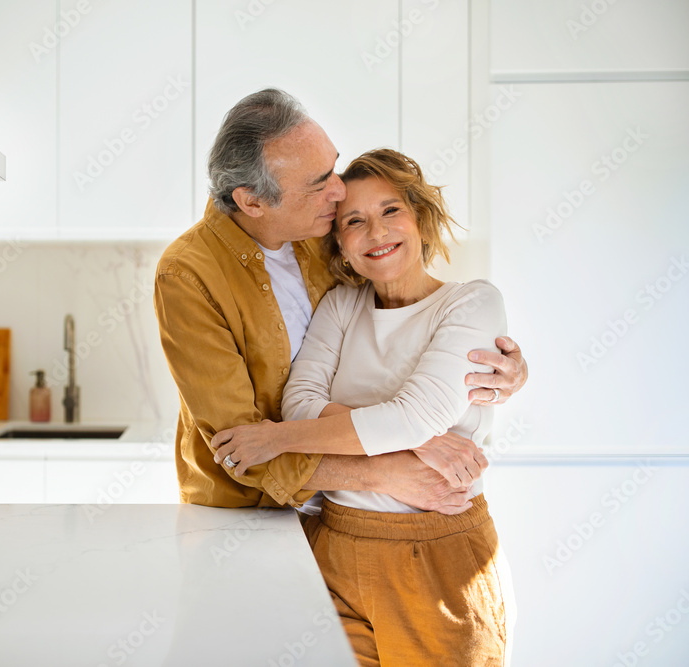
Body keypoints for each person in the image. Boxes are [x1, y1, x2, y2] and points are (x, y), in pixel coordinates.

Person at [154, 88, 527, 515]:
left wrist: (498, 370)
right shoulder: (187, 276)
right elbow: (239, 446)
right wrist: (389, 466)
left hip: (332, 514)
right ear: (252, 201)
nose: (338, 190)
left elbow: (416, 376)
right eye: (318, 184)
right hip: (250, 514)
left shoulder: (319, 233)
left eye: (332, 167)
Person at [212, 148, 514, 665]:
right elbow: (301, 405)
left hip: (439, 557)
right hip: (333, 546)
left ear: (419, 217)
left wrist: (277, 439)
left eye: (391, 210)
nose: (376, 233)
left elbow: (410, 414)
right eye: (355, 221)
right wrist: (421, 441)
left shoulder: (471, 302)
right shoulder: (341, 305)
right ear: (340, 243)